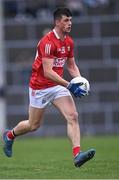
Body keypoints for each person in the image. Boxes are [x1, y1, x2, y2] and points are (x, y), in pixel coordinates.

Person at [3, 7, 95, 167]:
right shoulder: (47, 42)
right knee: (33, 125)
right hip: (39, 87)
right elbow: (47, 72)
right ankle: (10, 135)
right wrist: (70, 85)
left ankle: (77, 155)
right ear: (57, 22)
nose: (70, 23)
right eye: (66, 20)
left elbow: (72, 66)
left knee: (73, 116)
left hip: (57, 86)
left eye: (71, 20)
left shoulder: (68, 42)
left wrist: (80, 81)